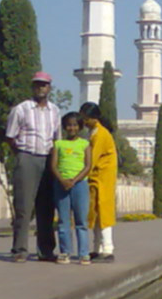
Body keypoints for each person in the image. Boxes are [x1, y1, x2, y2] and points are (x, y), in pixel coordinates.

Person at [6, 71, 62, 263]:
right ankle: (20, 249)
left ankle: (45, 250)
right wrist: (21, 156)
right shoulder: (21, 109)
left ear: (49, 87)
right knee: (24, 206)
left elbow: (57, 138)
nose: (40, 88)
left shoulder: (54, 111)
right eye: (37, 84)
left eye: (44, 85)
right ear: (32, 87)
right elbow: (10, 136)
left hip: (47, 159)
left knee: (46, 207)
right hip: (27, 156)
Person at [50, 112, 92, 265]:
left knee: (81, 221)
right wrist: (62, 180)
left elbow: (88, 166)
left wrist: (74, 180)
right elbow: (53, 165)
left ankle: (83, 253)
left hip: (79, 184)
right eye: (68, 125)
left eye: (75, 125)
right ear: (64, 127)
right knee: (63, 220)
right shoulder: (59, 144)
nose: (72, 128)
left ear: (80, 127)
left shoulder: (85, 144)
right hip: (61, 185)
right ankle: (65, 252)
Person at [80, 102, 118, 263]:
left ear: (93, 118)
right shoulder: (93, 132)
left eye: (85, 118)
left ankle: (108, 249)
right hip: (96, 178)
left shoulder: (101, 134)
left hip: (103, 178)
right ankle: (97, 249)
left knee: (104, 212)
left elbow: (92, 159)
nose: (83, 122)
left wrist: (77, 174)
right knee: (95, 212)